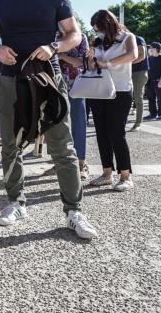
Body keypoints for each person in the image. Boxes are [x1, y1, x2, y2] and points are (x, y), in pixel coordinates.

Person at [0, 0, 97, 239]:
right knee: (11, 144)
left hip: (49, 77)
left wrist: (53, 46)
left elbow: (74, 34)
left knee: (62, 145)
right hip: (10, 79)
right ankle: (15, 202)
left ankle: (74, 210)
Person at [87, 10, 138, 191]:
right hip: (99, 91)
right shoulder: (98, 42)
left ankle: (126, 176)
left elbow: (133, 55)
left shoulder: (127, 37)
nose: (97, 33)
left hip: (121, 91)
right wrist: (91, 60)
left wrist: (107, 63)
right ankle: (106, 173)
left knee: (116, 133)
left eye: (99, 29)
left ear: (108, 24)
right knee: (101, 133)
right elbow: (91, 66)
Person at [58, 33, 90, 180]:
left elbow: (82, 62)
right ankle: (61, 163)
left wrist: (62, 56)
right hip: (55, 87)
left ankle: (81, 164)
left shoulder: (80, 37)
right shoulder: (53, 35)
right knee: (59, 127)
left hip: (76, 86)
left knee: (78, 125)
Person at [144, 42, 161, 121]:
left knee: (160, 99)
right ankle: (152, 114)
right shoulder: (149, 58)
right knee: (150, 99)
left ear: (155, 49)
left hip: (159, 81)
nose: (149, 49)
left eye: (151, 48)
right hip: (149, 82)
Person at [130, 34, 149, 130]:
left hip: (139, 72)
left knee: (138, 97)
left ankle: (138, 123)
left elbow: (142, 56)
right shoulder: (119, 41)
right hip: (127, 71)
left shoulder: (137, 39)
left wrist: (124, 62)